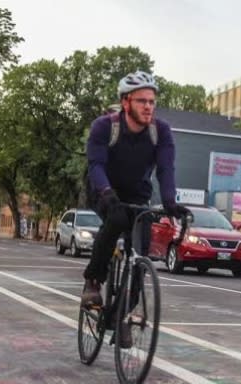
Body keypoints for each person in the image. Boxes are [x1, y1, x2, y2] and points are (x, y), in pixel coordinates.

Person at [81, 71, 189, 308]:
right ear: (125, 102)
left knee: (141, 245)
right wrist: (107, 193)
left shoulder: (160, 131)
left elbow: (165, 169)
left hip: (137, 191)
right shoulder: (104, 127)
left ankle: (125, 315)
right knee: (116, 219)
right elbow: (96, 164)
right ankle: (93, 280)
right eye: (141, 101)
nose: (148, 107)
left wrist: (170, 202)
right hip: (103, 186)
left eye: (152, 101)